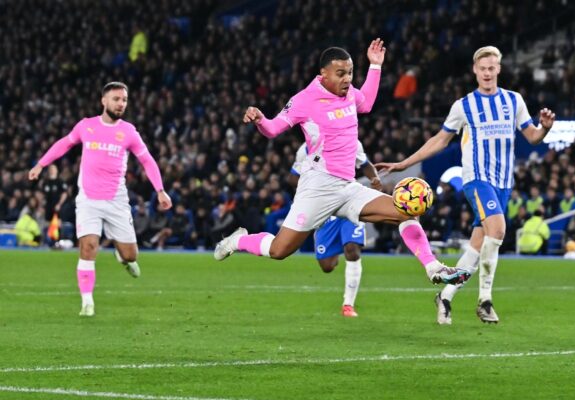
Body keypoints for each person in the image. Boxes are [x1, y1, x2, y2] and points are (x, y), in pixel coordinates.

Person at [215, 39, 470, 291]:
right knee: (279, 250)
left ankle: (434, 268)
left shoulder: (348, 94)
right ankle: (239, 241)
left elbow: (367, 103)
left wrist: (375, 66)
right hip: (318, 186)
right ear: (323, 74)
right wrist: (260, 118)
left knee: (404, 210)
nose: (347, 79)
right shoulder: (305, 99)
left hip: (348, 187)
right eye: (340, 74)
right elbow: (272, 130)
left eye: (349, 72)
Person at [376, 46, 556, 324]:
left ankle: (445, 297)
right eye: (482, 68)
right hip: (476, 179)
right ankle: (485, 300)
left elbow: (532, 137)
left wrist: (544, 128)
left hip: (503, 182)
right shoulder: (463, 106)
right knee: (498, 230)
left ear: (499, 69)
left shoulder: (514, 101)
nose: (487, 72)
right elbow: (439, 140)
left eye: (492, 68)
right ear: (475, 70)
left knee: (478, 244)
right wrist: (404, 164)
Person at [28, 81, 172, 317]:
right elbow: (65, 143)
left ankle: (122, 256)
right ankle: (87, 302)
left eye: (124, 100)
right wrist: (41, 164)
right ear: (103, 101)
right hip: (88, 199)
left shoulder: (128, 131)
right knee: (88, 247)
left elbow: (147, 160)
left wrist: (160, 190)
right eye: (116, 99)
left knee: (130, 255)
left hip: (116, 200)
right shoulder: (86, 126)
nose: (121, 104)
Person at [289, 141, 382, 317]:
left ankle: (348, 305)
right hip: (324, 204)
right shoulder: (306, 149)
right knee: (327, 266)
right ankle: (339, 243)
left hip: (349, 199)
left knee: (352, 250)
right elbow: (292, 178)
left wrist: (374, 178)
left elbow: (365, 164)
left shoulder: (351, 141)